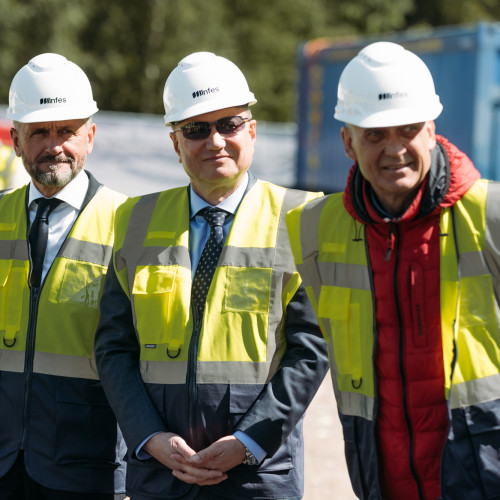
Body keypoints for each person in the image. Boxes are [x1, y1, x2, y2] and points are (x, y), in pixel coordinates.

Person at [94, 51, 329, 500]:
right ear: (176, 144)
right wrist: (149, 437)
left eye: (229, 124)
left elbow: (311, 348)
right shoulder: (135, 219)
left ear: (251, 131)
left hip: (258, 473)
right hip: (162, 473)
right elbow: (113, 347)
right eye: (196, 130)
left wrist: (249, 441)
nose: (215, 141)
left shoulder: (302, 218)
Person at [286, 40, 500, 500]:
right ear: (348, 142)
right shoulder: (315, 229)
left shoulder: (491, 215)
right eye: (375, 135)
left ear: (431, 131)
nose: (395, 148)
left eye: (408, 130)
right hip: (381, 479)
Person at [0, 53, 127, 499]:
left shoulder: (130, 223)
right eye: (39, 132)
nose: (54, 145)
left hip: (86, 466)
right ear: (16, 140)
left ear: (89, 136)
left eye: (67, 131)